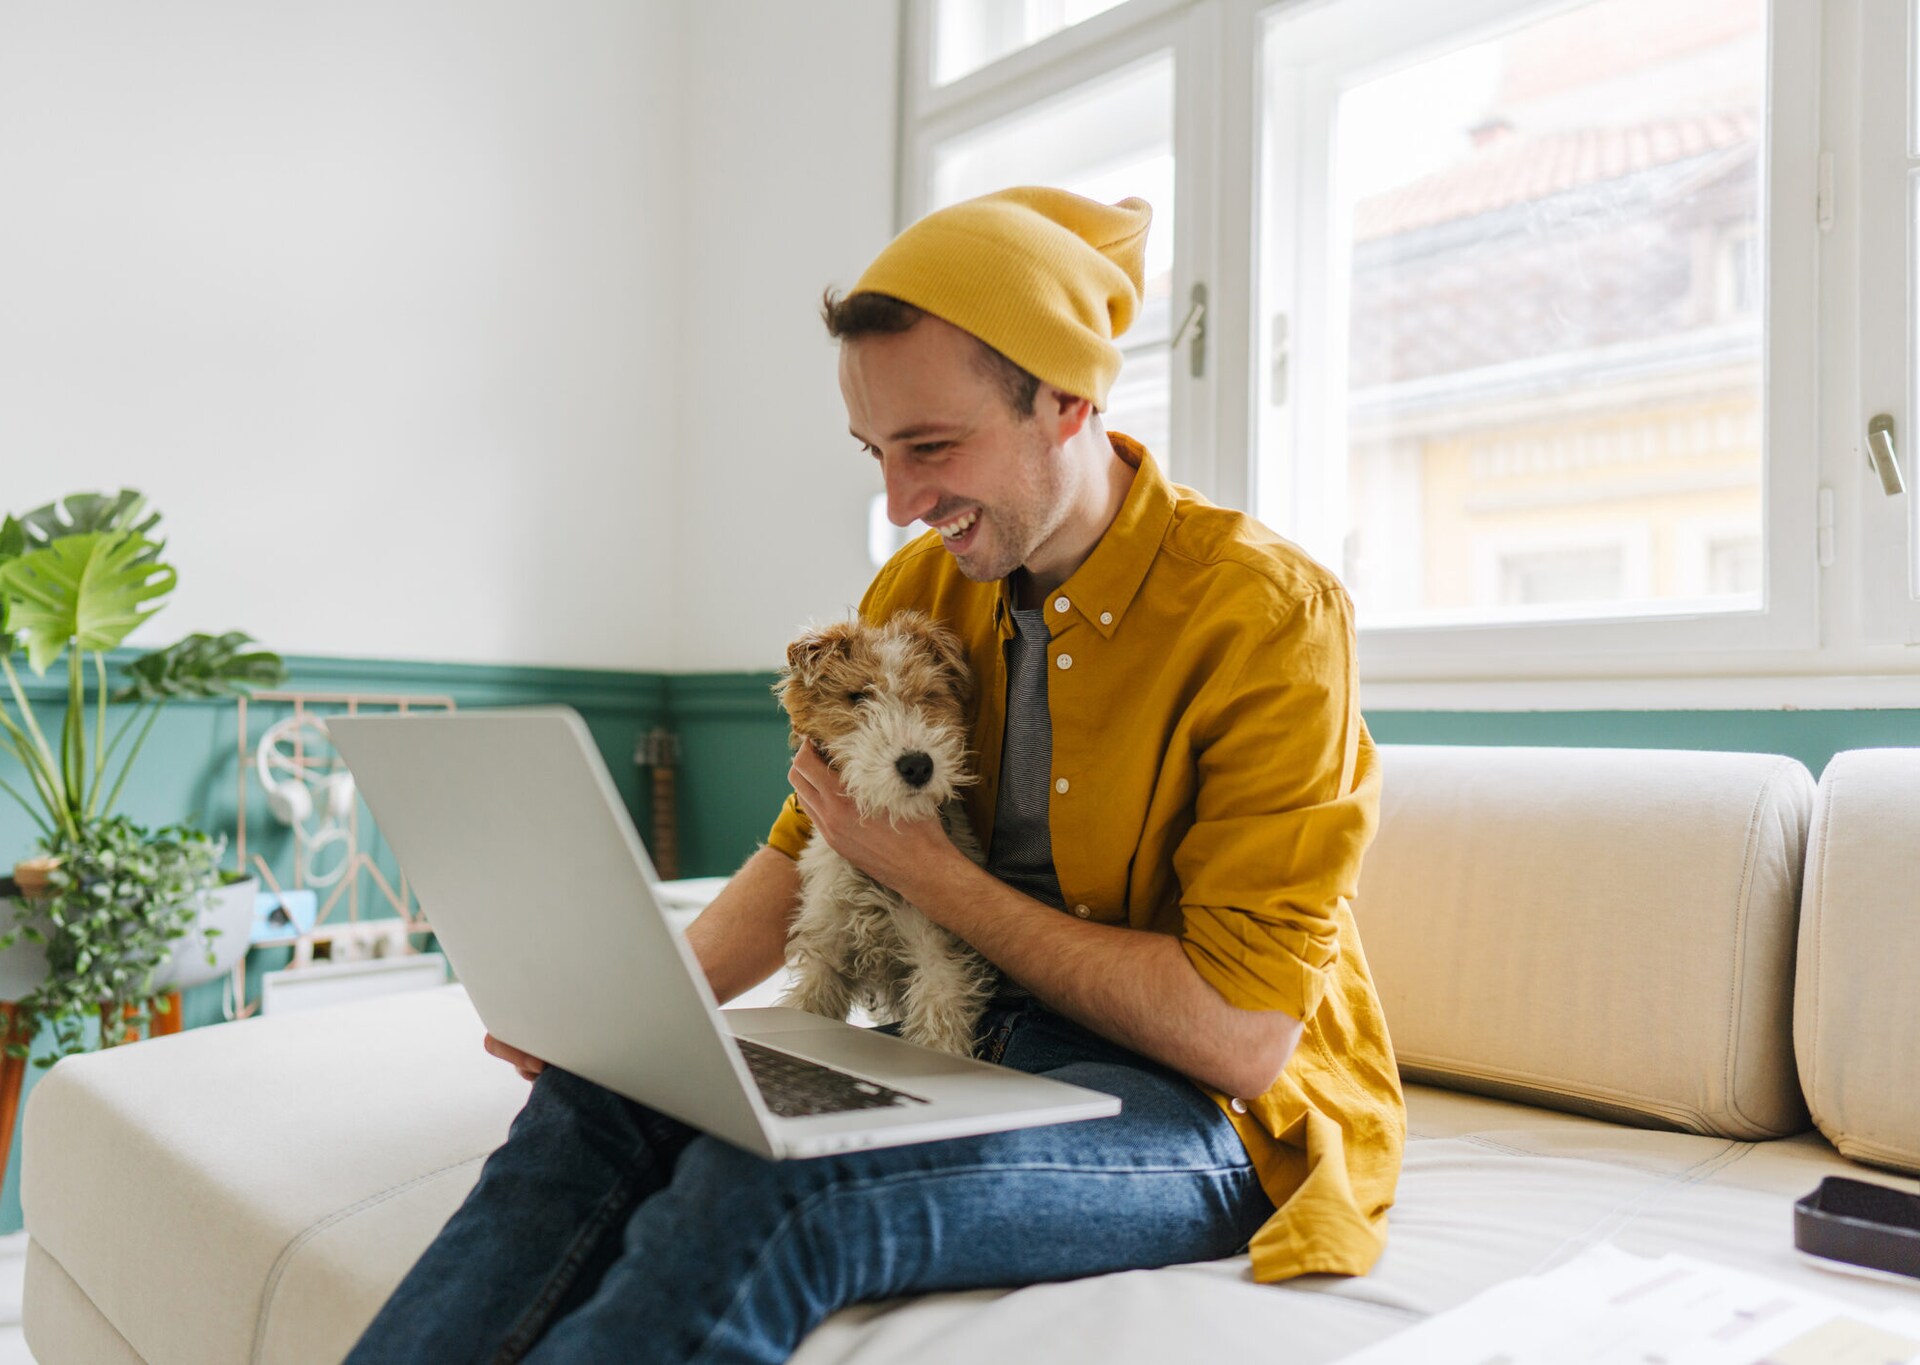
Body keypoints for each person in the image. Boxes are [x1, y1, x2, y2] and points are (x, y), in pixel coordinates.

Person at [344, 186, 1403, 1365]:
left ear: (1066, 401)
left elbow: (1240, 1035)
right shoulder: (918, 587)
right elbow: (807, 848)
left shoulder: (1264, 616)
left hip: (1194, 1113)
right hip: (953, 1037)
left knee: (781, 1190)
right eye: (875, 453)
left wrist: (933, 879)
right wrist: (634, 1020)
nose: (899, 504)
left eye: (931, 447)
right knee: (594, 1109)